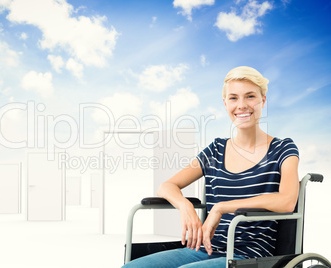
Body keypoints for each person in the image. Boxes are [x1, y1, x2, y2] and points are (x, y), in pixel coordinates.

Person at [122, 66, 300, 268]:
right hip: (203, 249)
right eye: (233, 98)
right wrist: (184, 205)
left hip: (249, 257)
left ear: (263, 101)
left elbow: (287, 201)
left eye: (250, 96)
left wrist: (221, 208)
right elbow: (167, 186)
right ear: (225, 104)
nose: (241, 105)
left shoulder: (283, 148)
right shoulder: (215, 150)